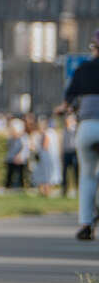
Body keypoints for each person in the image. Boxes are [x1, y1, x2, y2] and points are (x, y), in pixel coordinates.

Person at [61, 34, 99, 239]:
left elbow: (67, 102)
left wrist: (62, 109)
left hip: (87, 128)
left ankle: (86, 223)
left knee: (87, 175)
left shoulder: (82, 70)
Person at [31, 116, 63, 199]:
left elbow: (45, 146)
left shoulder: (48, 133)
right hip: (45, 158)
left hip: (46, 157)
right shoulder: (48, 133)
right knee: (44, 175)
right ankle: (44, 192)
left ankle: (46, 192)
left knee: (46, 175)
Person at [5, 119, 32, 191]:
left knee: (21, 175)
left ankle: (21, 188)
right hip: (11, 158)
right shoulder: (11, 138)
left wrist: (19, 156)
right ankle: (8, 187)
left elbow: (26, 148)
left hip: (20, 160)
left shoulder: (24, 137)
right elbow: (8, 147)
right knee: (9, 174)